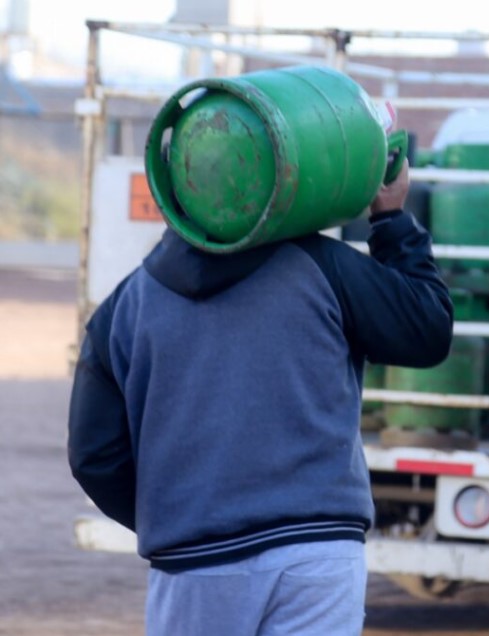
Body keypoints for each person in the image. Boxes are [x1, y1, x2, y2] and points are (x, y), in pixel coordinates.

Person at [66, 159, 453, 636]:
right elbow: (427, 331)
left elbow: (94, 457)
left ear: (172, 198)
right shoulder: (324, 266)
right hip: (319, 551)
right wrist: (390, 219)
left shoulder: (124, 307)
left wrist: (177, 516)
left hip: (195, 561)